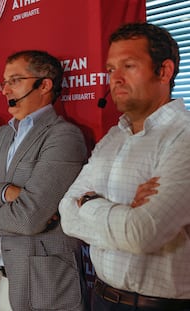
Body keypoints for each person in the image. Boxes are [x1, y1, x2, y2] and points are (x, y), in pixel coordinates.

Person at [59, 22, 190, 311]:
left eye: (128, 66)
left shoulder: (185, 136)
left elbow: (142, 234)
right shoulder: (113, 137)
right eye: (110, 69)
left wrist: (91, 202)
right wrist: (125, 211)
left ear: (164, 71)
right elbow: (66, 214)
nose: (115, 78)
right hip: (100, 297)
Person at [0, 50, 89, 311]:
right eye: (4, 82)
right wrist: (6, 193)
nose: (5, 89)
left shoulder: (64, 136)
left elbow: (29, 218)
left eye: (15, 80)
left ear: (45, 84)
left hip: (45, 286)